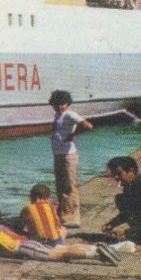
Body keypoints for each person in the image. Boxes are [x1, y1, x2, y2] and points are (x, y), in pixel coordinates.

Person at [0, 208, 120, 265]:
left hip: (22, 248)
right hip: (28, 243)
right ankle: (96, 248)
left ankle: (96, 254)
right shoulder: (3, 227)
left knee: (62, 254)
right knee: (63, 248)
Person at [48, 90, 94, 229]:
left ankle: (74, 218)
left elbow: (88, 125)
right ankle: (64, 215)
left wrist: (73, 135)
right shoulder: (58, 115)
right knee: (60, 185)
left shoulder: (69, 114)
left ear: (67, 104)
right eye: (56, 104)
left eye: (62, 104)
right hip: (58, 154)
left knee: (70, 185)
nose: (59, 106)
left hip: (68, 155)